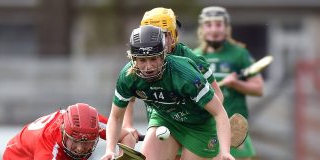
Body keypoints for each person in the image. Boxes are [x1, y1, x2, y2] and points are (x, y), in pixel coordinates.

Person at [101, 25, 234, 160]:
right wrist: (110, 150)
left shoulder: (185, 75)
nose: (148, 67)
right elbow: (116, 117)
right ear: (134, 59)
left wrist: (225, 152)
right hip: (165, 119)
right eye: (142, 60)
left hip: (199, 125)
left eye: (153, 59)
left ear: (163, 55)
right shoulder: (128, 76)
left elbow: (219, 112)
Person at [122, 6, 223, 140]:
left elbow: (218, 95)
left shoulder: (192, 60)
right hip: (161, 126)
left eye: (162, 34)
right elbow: (128, 95)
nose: (155, 40)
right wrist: (127, 125)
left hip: (192, 129)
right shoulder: (140, 61)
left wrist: (201, 121)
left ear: (173, 35)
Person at [194, 6, 264, 160]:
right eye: (209, 24)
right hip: (205, 130)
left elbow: (258, 88)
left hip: (235, 130)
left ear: (226, 28)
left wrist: (236, 84)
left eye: (219, 24)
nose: (214, 30)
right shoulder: (194, 56)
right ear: (202, 29)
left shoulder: (240, 54)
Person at [3, 103, 137, 160]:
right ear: (63, 132)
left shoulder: (94, 122)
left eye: (87, 142)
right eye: (75, 141)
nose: (80, 149)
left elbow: (127, 136)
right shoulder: (48, 147)